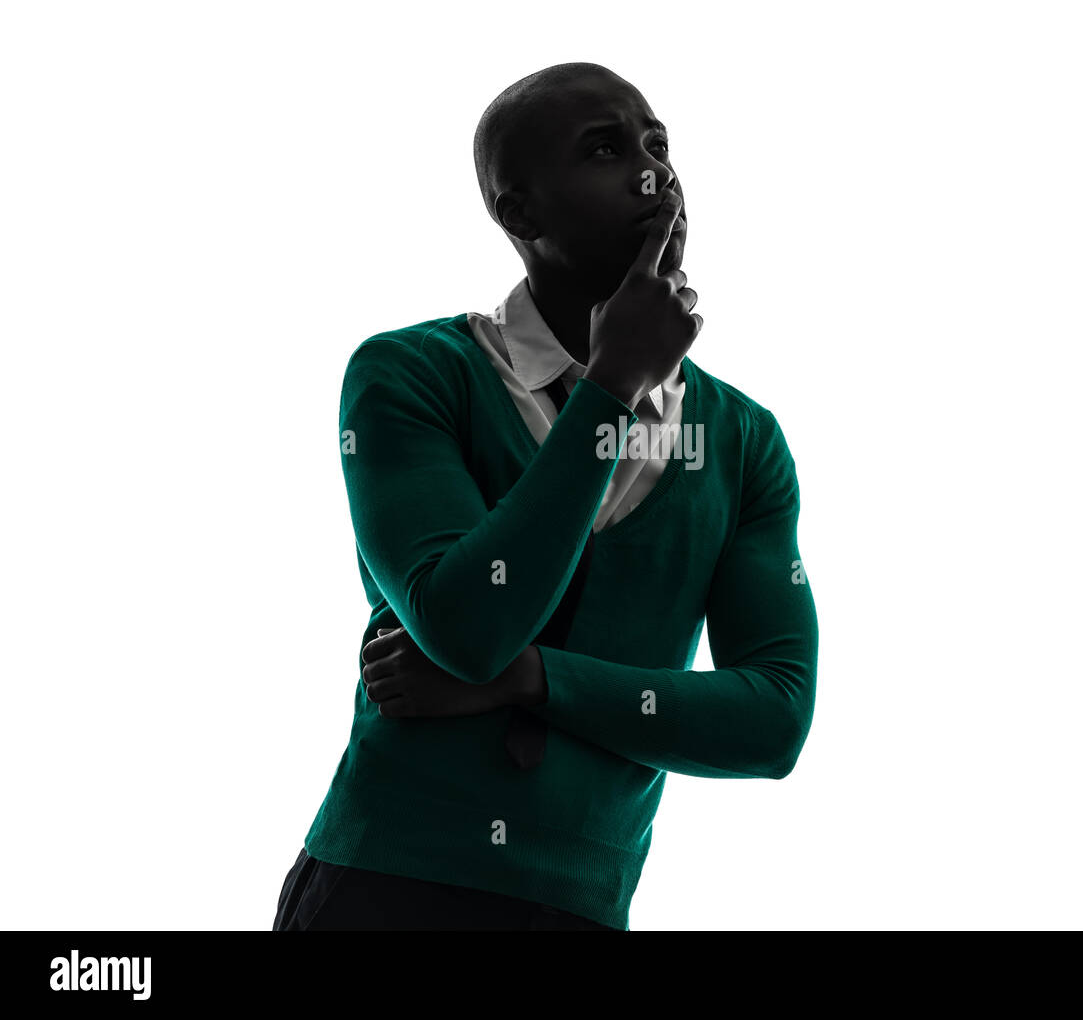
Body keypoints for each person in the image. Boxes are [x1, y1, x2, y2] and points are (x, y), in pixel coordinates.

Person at [273, 62, 818, 931]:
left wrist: (530, 678)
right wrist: (612, 386)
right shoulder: (411, 374)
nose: (655, 174)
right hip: (381, 894)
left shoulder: (745, 440)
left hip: (582, 910)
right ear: (517, 211)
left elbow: (774, 719)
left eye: (658, 145)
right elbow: (466, 625)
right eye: (607, 149)